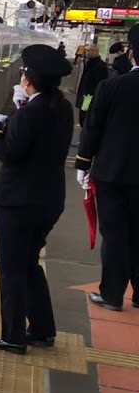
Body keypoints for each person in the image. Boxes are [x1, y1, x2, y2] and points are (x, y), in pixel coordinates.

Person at [0, 44, 76, 354]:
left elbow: (10, 153)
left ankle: (13, 336)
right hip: (49, 199)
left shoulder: (30, 113)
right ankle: (42, 330)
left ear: (29, 79)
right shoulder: (63, 108)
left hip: (18, 202)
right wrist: (19, 112)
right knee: (29, 264)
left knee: (11, 269)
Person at [76, 23, 139, 311]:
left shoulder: (112, 87)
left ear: (132, 54)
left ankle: (112, 294)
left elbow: (92, 128)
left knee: (115, 234)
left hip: (112, 174)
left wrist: (83, 163)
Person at [76, 43, 109, 126]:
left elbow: (100, 83)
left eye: (89, 51)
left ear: (96, 51)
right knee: (83, 116)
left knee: (86, 118)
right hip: (86, 95)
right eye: (86, 51)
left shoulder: (99, 66)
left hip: (89, 96)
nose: (87, 53)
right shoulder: (89, 63)